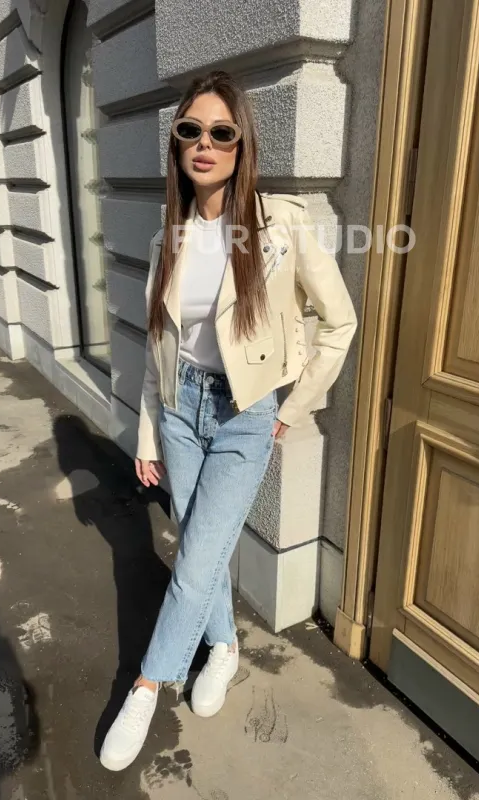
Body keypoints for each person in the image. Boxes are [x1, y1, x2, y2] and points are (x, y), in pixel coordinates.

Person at [100, 69, 358, 772]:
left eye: (221, 131)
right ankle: (223, 645)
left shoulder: (282, 225)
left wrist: (292, 409)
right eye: (191, 130)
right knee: (197, 545)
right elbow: (160, 347)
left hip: (245, 414)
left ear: (242, 144)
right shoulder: (170, 236)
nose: (205, 144)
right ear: (176, 144)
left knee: (194, 561)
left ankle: (147, 685)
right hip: (179, 409)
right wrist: (149, 435)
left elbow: (340, 324)